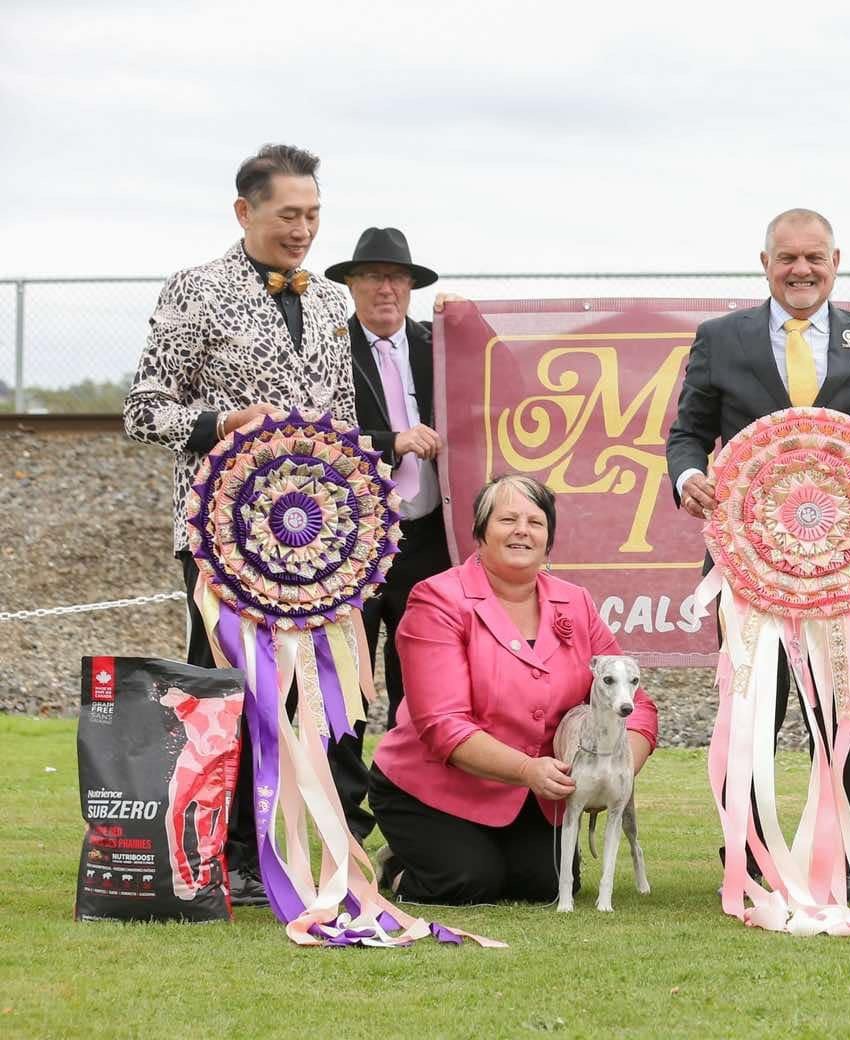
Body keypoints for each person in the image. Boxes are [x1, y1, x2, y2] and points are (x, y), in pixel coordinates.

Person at [122, 142, 367, 903]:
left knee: (312, 695)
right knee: (230, 691)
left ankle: (298, 844)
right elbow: (143, 409)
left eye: (314, 215)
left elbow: (345, 418)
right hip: (222, 539)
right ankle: (221, 849)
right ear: (245, 211)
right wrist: (220, 422)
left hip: (318, 540)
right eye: (289, 215)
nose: (304, 230)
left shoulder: (331, 300)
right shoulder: (194, 290)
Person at [662, 208, 850, 861]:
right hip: (747, 569)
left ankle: (836, 859)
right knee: (752, 718)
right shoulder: (720, 338)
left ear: (836, 262)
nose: (801, 270)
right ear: (765, 264)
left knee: (842, 718)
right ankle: (748, 864)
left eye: (815, 257)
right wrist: (690, 476)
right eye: (788, 258)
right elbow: (687, 434)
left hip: (844, 575)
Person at [369, 475, 658, 905]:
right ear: (480, 533)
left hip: (533, 794)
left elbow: (638, 704)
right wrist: (527, 771)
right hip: (435, 784)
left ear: (548, 540)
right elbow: (443, 726)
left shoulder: (575, 602)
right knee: (467, 880)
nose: (523, 530)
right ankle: (395, 865)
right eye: (507, 519)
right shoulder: (436, 599)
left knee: (547, 884)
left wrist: (618, 767)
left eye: (535, 522)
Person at [330, 227, 453, 730]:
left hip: (427, 539)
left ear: (410, 287)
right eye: (374, 277)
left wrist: (473, 322)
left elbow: (494, 390)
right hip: (353, 537)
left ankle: (411, 797)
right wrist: (390, 441)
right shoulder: (331, 350)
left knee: (422, 674)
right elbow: (315, 431)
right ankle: (344, 803)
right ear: (353, 285)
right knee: (346, 674)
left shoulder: (441, 345)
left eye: (397, 278)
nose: (386, 288)